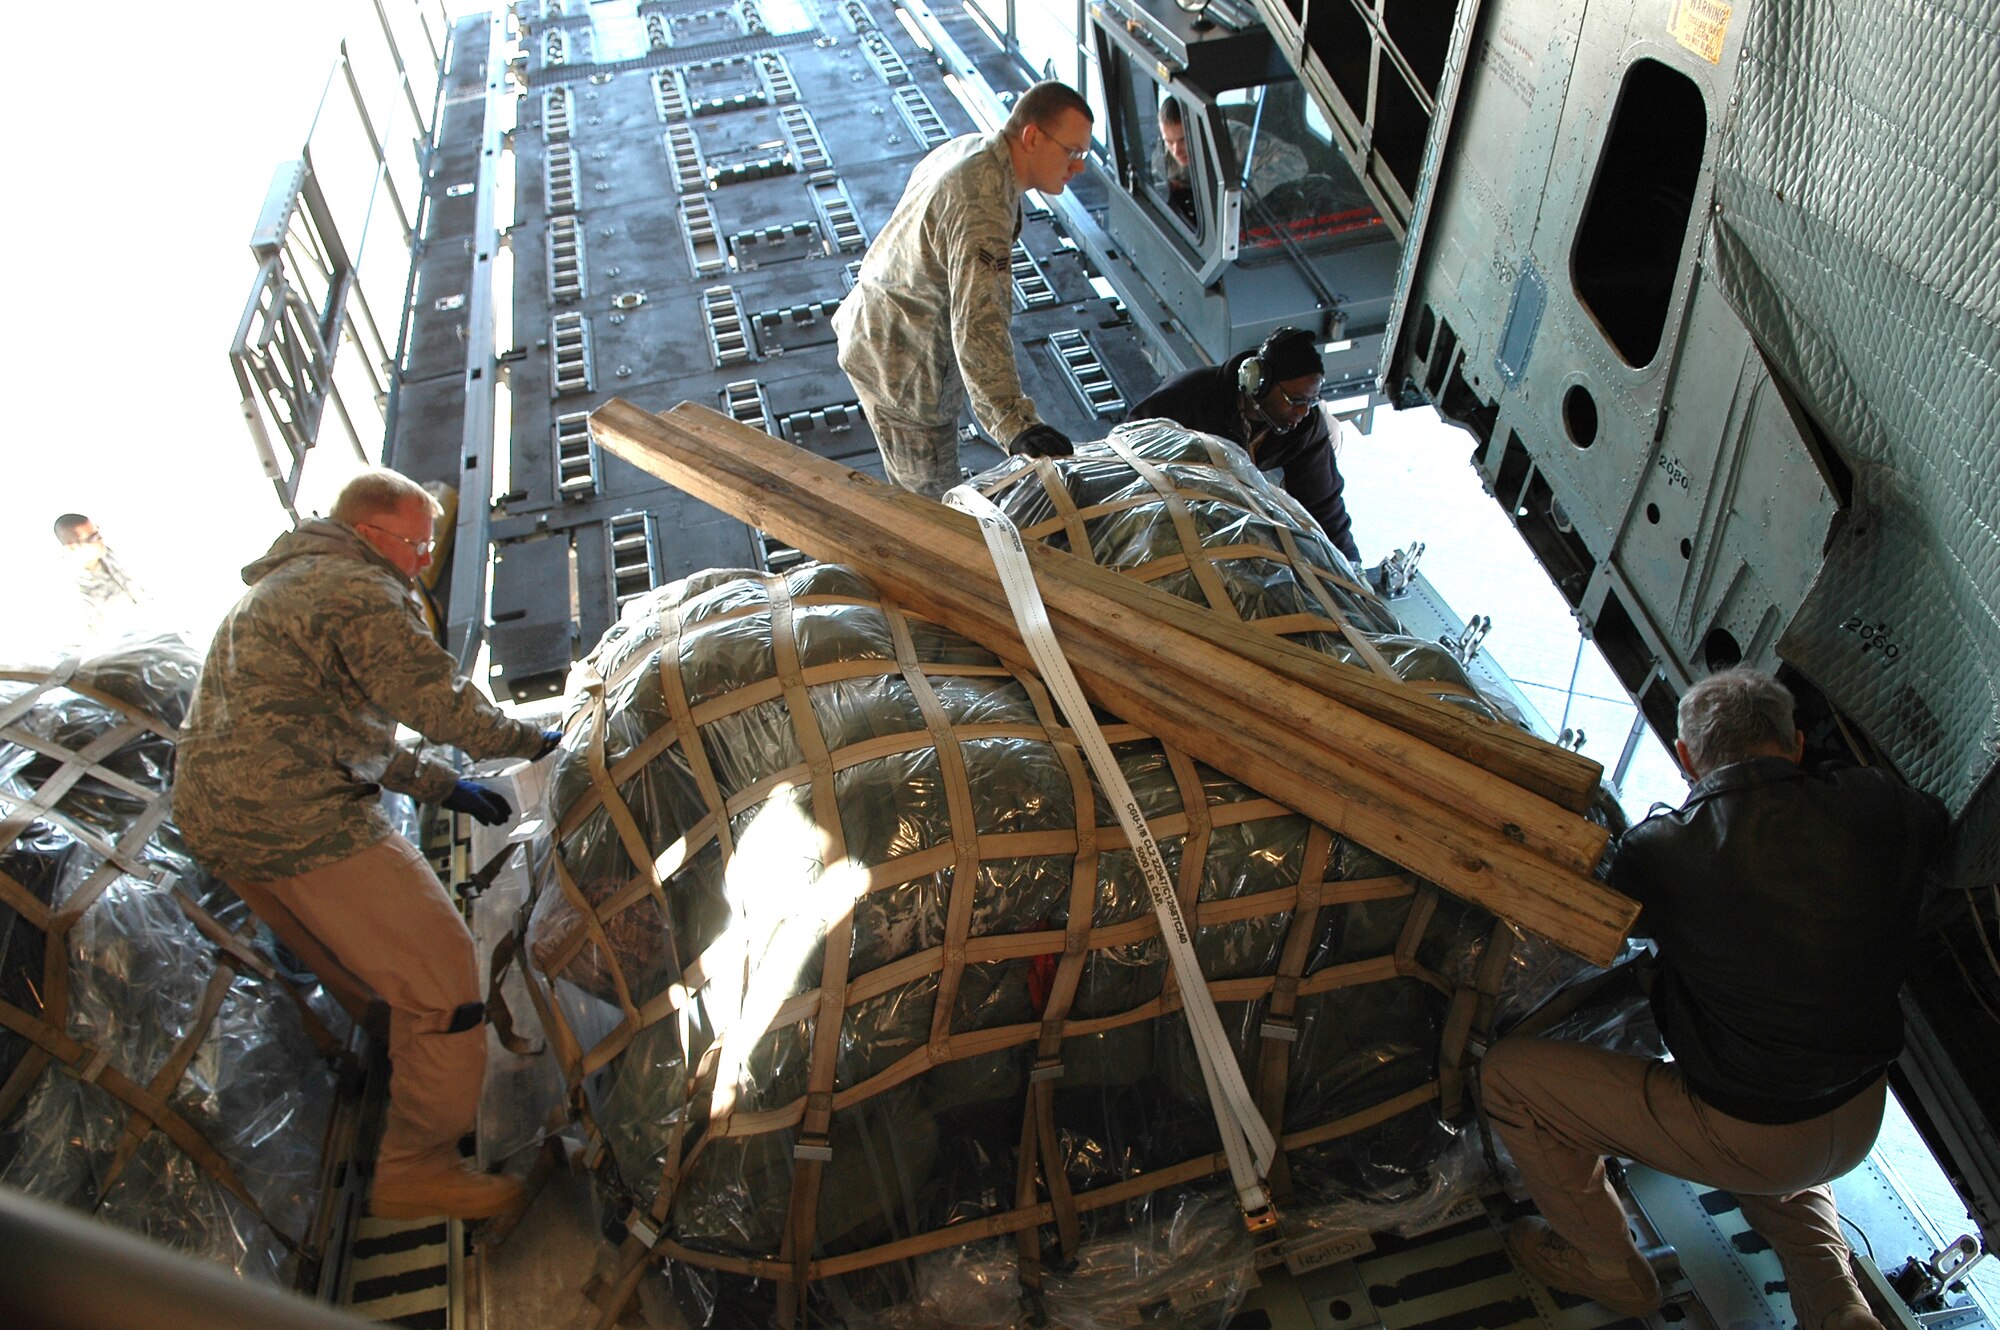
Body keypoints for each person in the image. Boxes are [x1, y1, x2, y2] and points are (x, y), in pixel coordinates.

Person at [1482, 668, 1949, 1330]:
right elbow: (1934, 824)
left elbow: (1605, 928)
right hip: (1859, 1107)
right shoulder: (1879, 804)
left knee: (1509, 1079)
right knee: (1778, 1125)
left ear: (1684, 758)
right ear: (1793, 742)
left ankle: (1612, 1270)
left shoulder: (1666, 847)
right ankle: (1835, 1302)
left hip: (1757, 1128)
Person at [175, 468, 561, 1221]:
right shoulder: (358, 589)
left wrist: (442, 787)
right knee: (446, 982)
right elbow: (438, 703)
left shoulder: (284, 586)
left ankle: (403, 1078)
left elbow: (327, 726)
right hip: (298, 820)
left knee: (367, 980)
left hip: (222, 818)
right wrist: (538, 741)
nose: (423, 560)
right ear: (368, 533)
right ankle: (414, 1166)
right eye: (416, 544)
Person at [833, 80, 1090, 498]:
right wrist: (1015, 425)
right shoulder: (981, 204)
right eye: (1072, 152)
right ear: (1031, 137)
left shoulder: (972, 150)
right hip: (903, 370)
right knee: (936, 515)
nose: (1078, 166)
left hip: (881, 334)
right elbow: (978, 323)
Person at [1125, 327, 1361, 564]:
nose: (1303, 412)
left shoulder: (1305, 426)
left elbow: (1322, 504)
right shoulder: (1186, 398)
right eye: (1296, 401)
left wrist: (1350, 563)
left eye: (1311, 401)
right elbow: (1129, 454)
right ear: (1257, 382)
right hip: (1169, 504)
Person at [53, 512, 151, 639]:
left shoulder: (107, 554)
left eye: (97, 532)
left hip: (149, 629)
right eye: (92, 538)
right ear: (72, 547)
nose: (100, 540)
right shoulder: (73, 592)